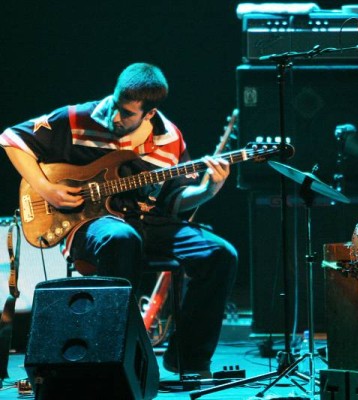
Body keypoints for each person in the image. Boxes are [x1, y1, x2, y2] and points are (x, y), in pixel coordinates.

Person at [0, 63, 238, 377]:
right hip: (92, 223)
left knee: (220, 254)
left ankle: (188, 359)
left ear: (149, 114)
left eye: (126, 113)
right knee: (121, 239)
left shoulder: (170, 140)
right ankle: (121, 358)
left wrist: (208, 189)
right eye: (115, 104)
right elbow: (11, 138)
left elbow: (175, 200)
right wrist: (48, 189)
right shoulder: (77, 118)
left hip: (148, 222)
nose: (115, 117)